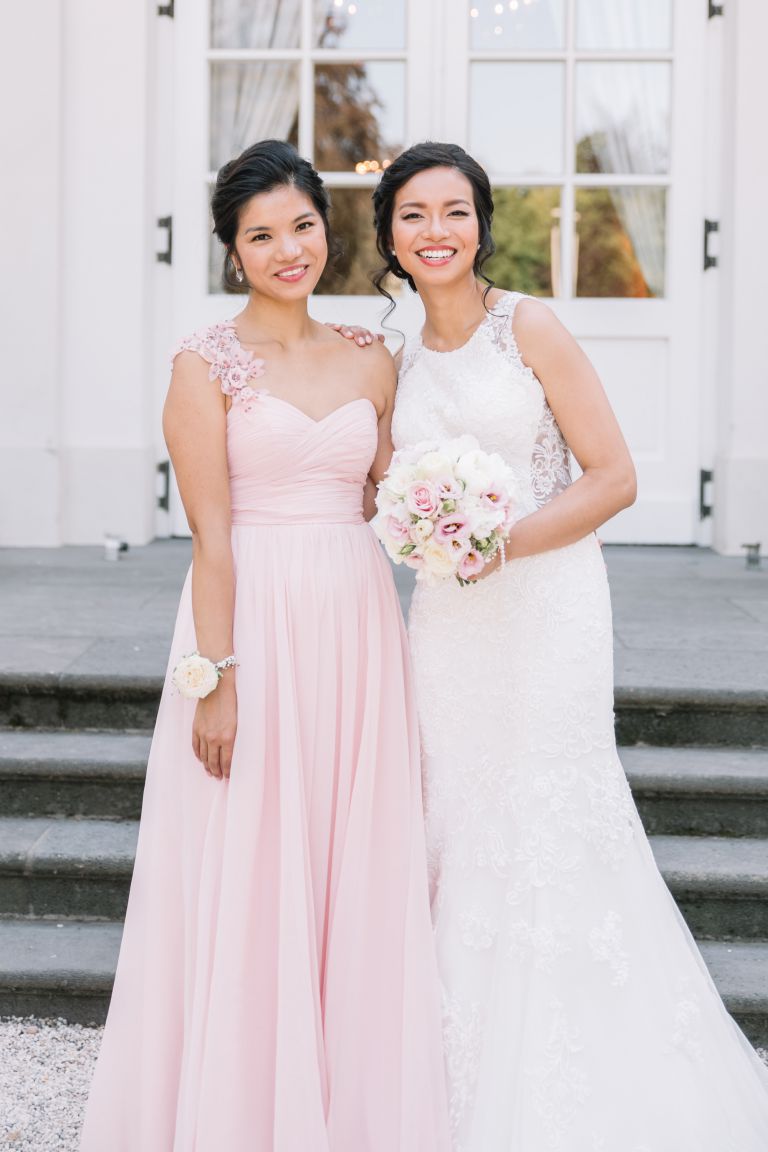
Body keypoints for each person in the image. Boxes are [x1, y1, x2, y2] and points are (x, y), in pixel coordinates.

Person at [368, 141, 768, 1150]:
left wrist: (495, 543)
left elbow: (614, 475)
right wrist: (422, 529)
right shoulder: (395, 360)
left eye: (454, 211)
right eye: (413, 215)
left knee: (549, 814)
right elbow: (379, 489)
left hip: (545, 608)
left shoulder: (530, 326)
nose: (436, 232)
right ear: (388, 238)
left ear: (482, 222)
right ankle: (450, 1078)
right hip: (449, 623)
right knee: (456, 815)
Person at [80, 139, 450, 1152]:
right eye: (261, 236)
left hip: (358, 621)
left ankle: (348, 1101)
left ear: (327, 228)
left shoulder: (376, 355)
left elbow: (393, 496)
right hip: (249, 626)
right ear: (231, 251)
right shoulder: (205, 366)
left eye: (302, 226)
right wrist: (216, 680)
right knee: (252, 857)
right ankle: (243, 1106)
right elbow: (209, 539)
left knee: (349, 853)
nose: (289, 250)